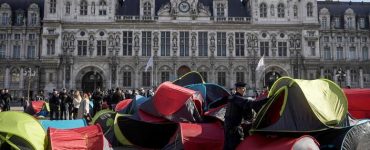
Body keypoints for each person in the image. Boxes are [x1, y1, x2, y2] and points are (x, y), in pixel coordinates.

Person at [223, 82, 269, 150]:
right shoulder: (237, 98)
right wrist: (267, 100)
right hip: (234, 130)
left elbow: (246, 115)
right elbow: (251, 103)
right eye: (243, 89)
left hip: (227, 128)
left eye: (245, 89)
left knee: (227, 147)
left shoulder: (231, 97)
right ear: (238, 89)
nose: (244, 90)